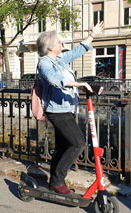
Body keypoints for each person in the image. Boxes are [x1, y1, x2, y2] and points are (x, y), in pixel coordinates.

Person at [36, 21, 104, 195]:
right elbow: (53, 79)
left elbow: (76, 52)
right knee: (78, 144)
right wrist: (78, 83)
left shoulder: (59, 60)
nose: (62, 44)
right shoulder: (44, 63)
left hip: (65, 109)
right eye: (59, 42)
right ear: (51, 47)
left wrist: (92, 35)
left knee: (62, 147)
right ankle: (58, 181)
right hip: (56, 111)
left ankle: (55, 183)